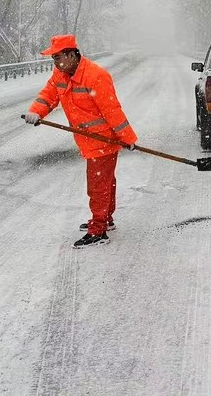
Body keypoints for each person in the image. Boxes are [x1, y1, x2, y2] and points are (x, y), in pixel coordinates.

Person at [23, 35, 137, 249]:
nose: (55, 62)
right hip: (86, 139)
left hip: (102, 139)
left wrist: (127, 138)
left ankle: (98, 230)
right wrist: (36, 111)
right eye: (53, 58)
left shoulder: (96, 76)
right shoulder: (60, 74)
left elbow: (112, 110)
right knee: (105, 182)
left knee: (98, 186)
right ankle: (106, 218)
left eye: (58, 57)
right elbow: (49, 95)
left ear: (71, 55)